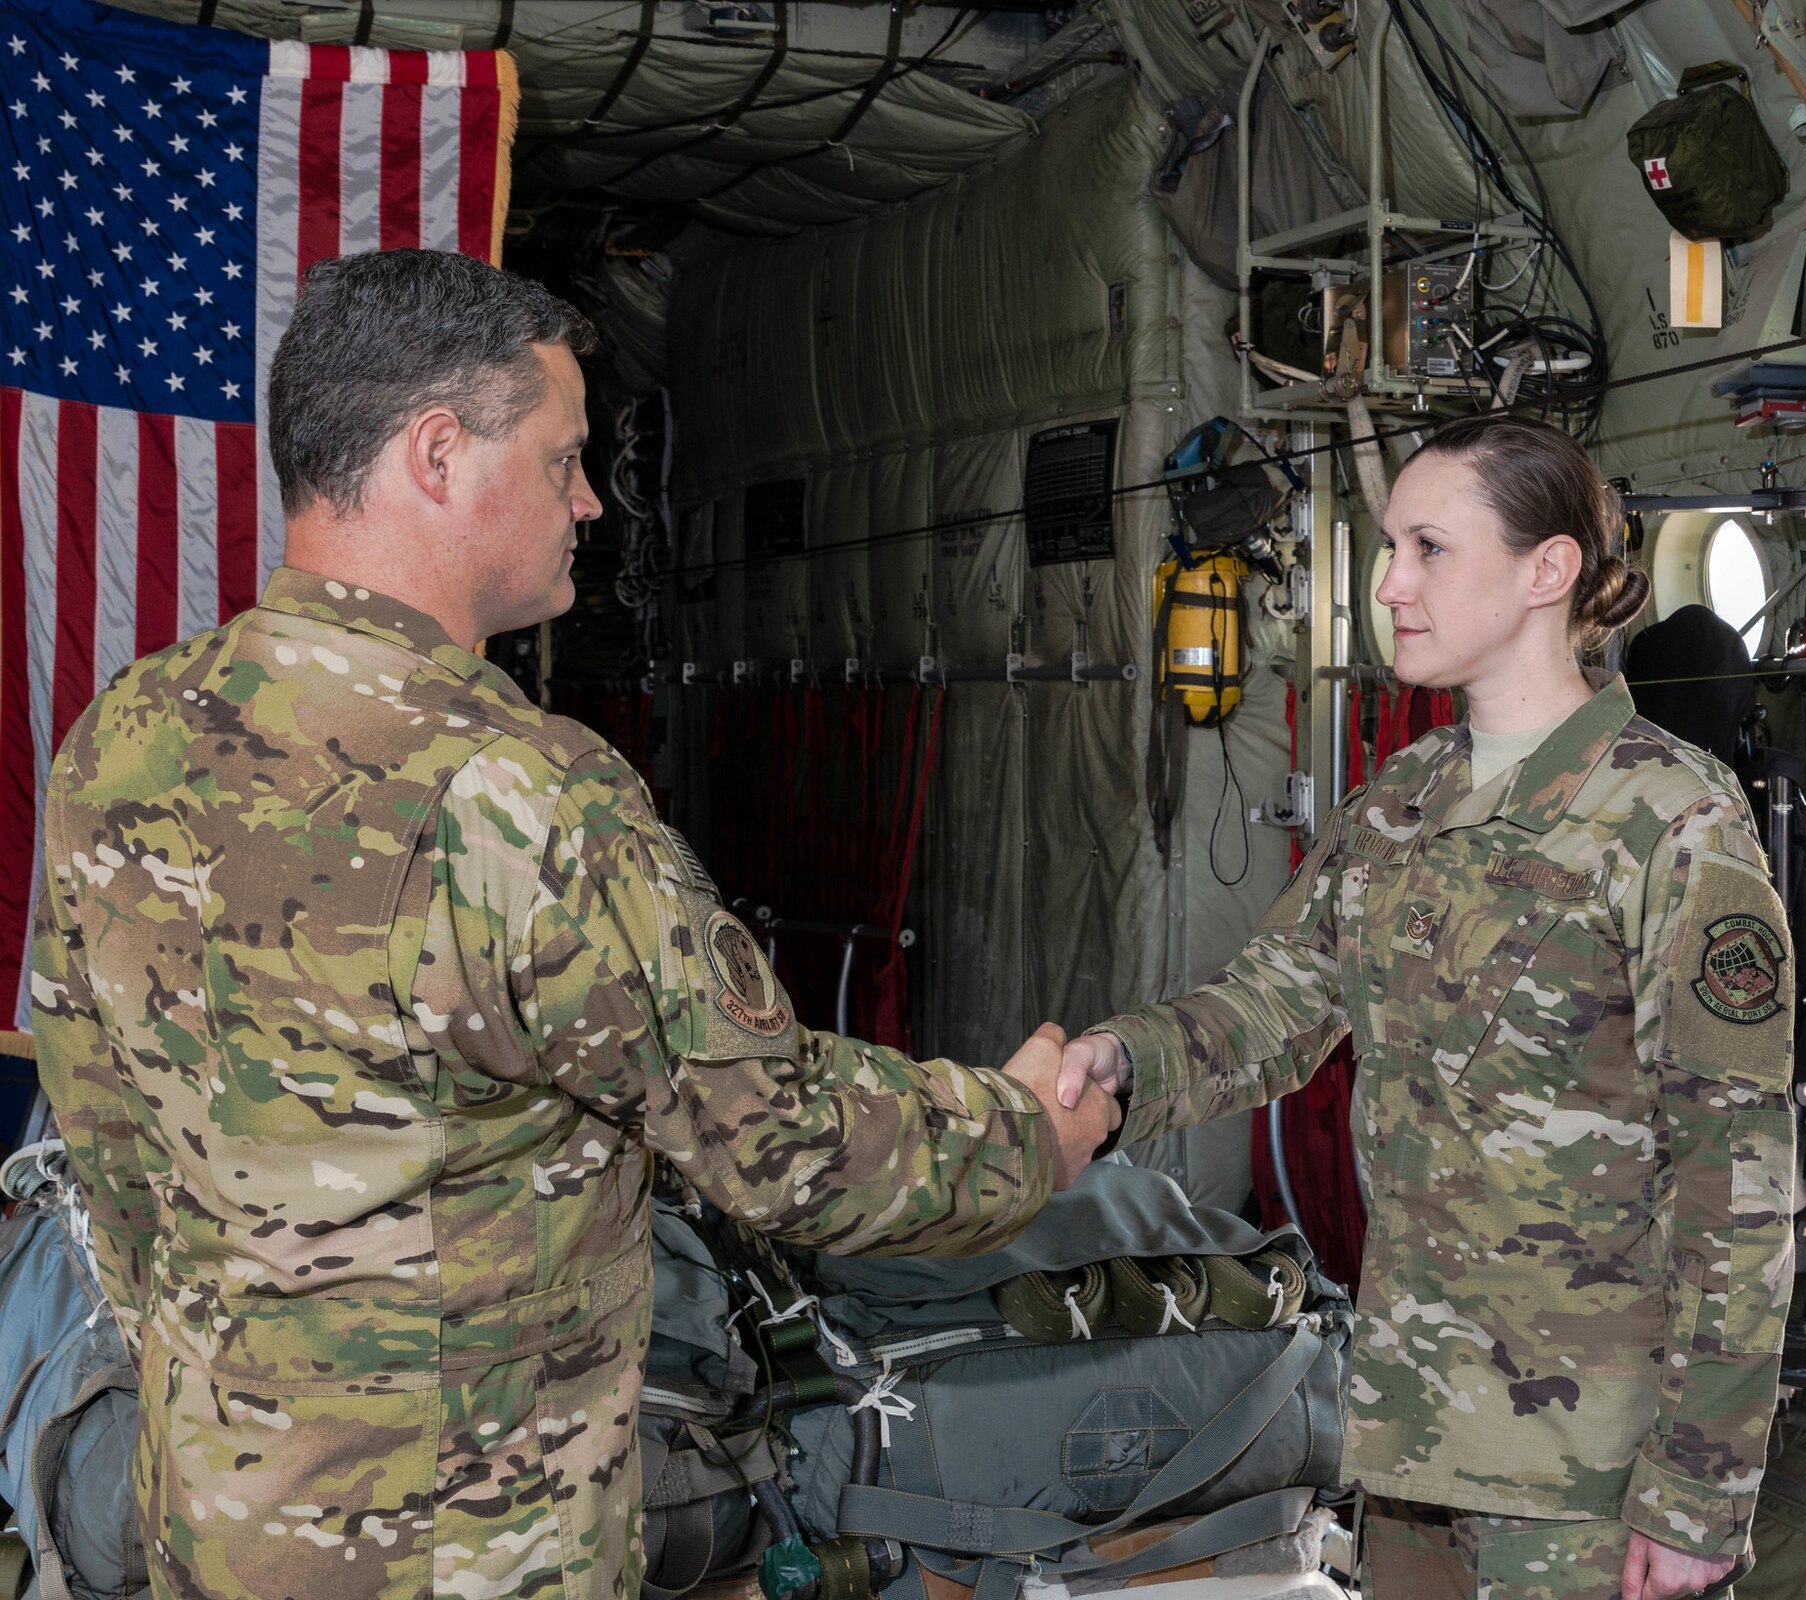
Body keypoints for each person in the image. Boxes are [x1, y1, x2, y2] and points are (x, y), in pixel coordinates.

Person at [29, 247, 1118, 1600]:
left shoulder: (120, 737)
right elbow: (781, 1146)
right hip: (466, 1555)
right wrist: (1028, 1137)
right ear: (439, 456)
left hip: (211, 1518)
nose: (592, 502)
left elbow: (99, 1130)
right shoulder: (519, 797)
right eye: (561, 458)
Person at [1059, 414, 1796, 1600]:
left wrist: (1699, 1489)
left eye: (1426, 548)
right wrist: (1114, 1063)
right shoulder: (1397, 803)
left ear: (1544, 570)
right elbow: (1268, 1006)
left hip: (1581, 1477)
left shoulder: (1670, 821)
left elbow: (1734, 1178)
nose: (1388, 584)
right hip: (1410, 1435)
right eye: (1386, 548)